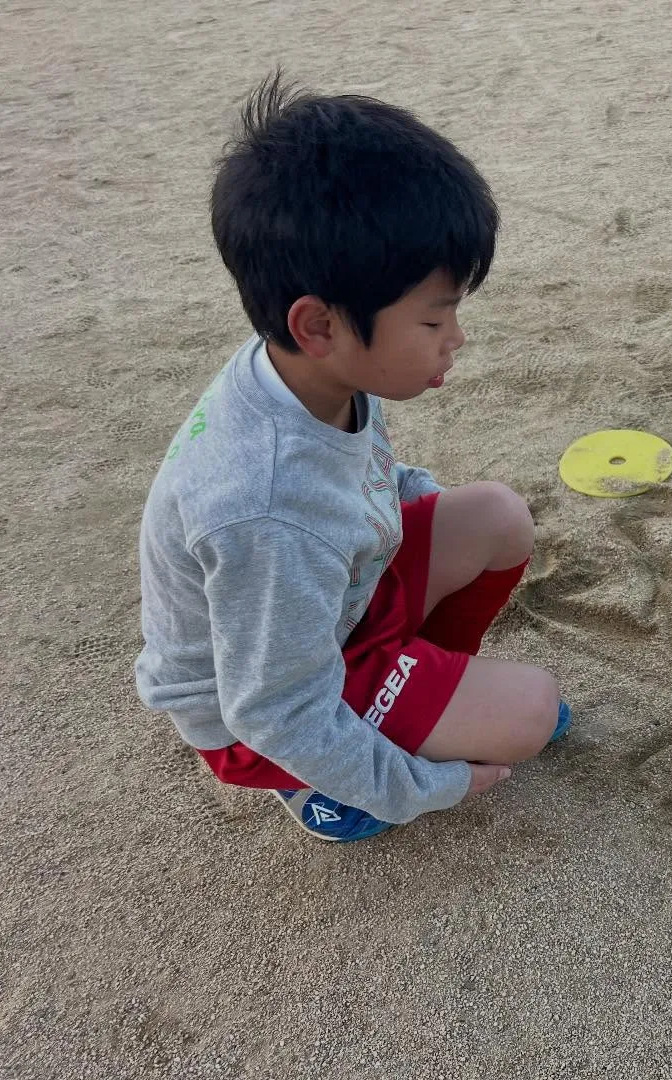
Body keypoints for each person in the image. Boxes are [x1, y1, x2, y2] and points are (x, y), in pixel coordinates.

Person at [135, 73, 567, 843]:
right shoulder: (265, 507)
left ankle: (426, 697)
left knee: (496, 516)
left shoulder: (307, 374)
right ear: (320, 325)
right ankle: (335, 782)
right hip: (265, 707)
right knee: (529, 714)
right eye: (435, 318)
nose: (456, 338)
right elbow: (271, 707)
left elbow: (366, 485)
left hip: (330, 614)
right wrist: (428, 785)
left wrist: (418, 523)